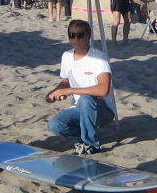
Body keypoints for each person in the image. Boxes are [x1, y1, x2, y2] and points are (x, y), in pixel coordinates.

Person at [46, 20, 116, 155]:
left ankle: (92, 144)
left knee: (86, 99)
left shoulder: (99, 58)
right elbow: (66, 80)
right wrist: (55, 92)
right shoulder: (66, 56)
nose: (76, 39)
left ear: (88, 36)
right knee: (55, 125)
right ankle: (83, 140)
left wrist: (69, 90)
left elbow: (103, 90)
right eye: (72, 35)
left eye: (80, 35)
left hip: (102, 109)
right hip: (78, 107)